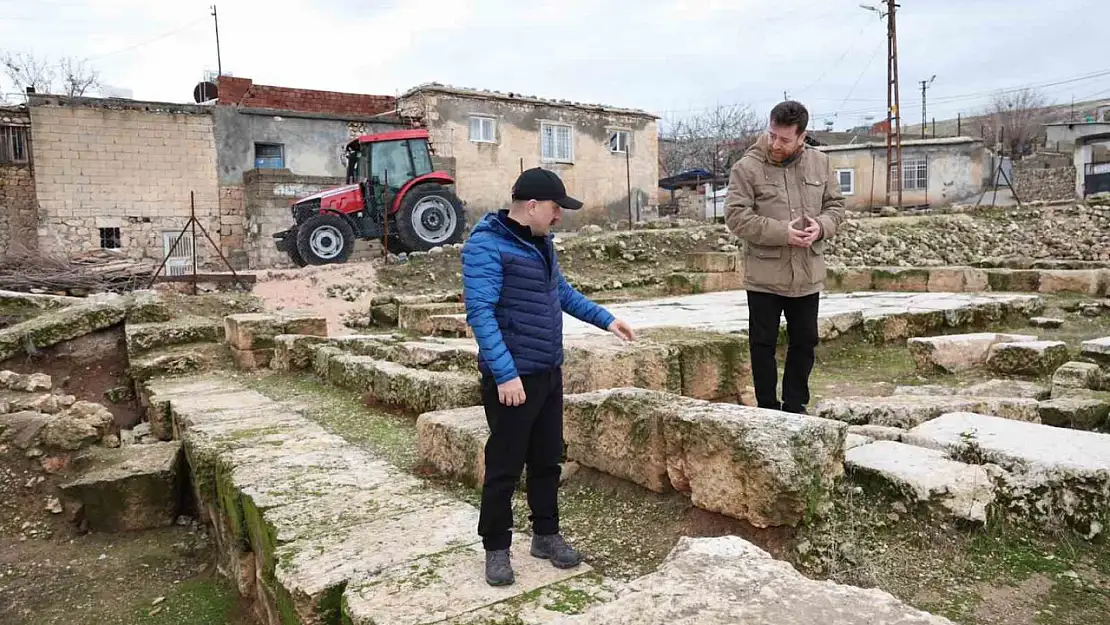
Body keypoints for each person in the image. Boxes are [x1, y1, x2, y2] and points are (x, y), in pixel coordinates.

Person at [461, 167, 636, 587]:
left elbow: (562, 293)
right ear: (534, 206)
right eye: (556, 208)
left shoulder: (541, 244)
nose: (559, 217)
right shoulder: (485, 247)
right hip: (511, 379)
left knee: (546, 459)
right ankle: (497, 548)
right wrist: (504, 375)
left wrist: (607, 320)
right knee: (504, 466)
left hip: (546, 371)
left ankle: (545, 534)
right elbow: (481, 315)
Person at [724, 101, 846, 415]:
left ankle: (795, 407)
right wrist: (782, 232)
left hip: (807, 273)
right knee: (762, 344)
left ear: (802, 137)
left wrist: (820, 227)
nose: (776, 144)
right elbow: (736, 218)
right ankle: (766, 408)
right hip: (764, 274)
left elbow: (836, 208)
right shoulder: (746, 168)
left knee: (805, 342)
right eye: (772, 135)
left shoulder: (821, 164)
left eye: (785, 139)